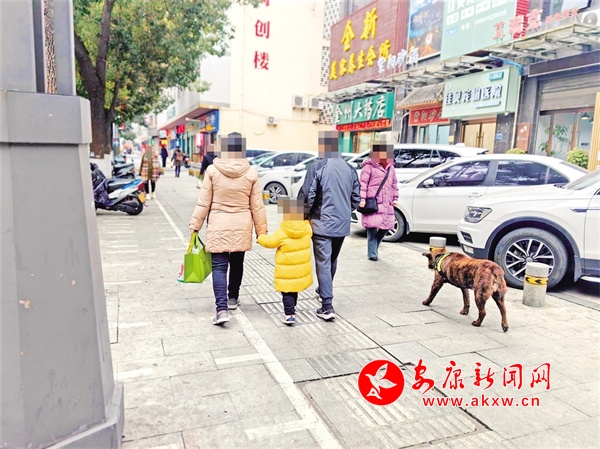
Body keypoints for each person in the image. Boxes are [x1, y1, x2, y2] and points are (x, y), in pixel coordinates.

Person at [189, 132, 267, 325]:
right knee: (237, 262)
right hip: (242, 224)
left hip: (218, 224)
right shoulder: (251, 173)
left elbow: (203, 202)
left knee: (219, 266)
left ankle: (221, 310)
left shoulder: (212, 171)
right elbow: (257, 206)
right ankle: (233, 298)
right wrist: (261, 232)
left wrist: (195, 225)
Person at [298, 130, 360, 321]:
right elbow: (356, 198)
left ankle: (327, 306)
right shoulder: (350, 169)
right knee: (332, 260)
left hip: (321, 222)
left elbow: (307, 196)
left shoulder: (318, 167)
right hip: (342, 223)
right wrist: (344, 211)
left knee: (323, 262)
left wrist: (303, 216)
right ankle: (323, 290)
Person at [257, 197, 313, 325]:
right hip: (300, 269)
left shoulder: (283, 231)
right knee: (294, 289)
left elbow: (270, 242)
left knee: (287, 291)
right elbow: (309, 228)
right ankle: (292, 309)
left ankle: (289, 314)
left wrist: (260, 237)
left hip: (286, 271)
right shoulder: (306, 228)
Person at [359, 142, 399, 261]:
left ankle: (374, 246)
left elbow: (394, 184)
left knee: (387, 226)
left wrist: (395, 198)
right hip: (373, 202)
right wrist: (362, 199)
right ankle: (372, 253)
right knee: (372, 226)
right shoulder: (368, 167)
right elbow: (363, 185)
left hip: (387, 203)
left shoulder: (391, 168)